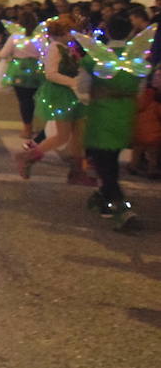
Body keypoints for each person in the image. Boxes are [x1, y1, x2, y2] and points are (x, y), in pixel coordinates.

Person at [80, 16, 145, 229]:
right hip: (125, 113)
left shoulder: (95, 57)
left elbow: (82, 88)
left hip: (102, 113)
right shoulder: (136, 58)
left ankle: (122, 208)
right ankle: (104, 200)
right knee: (112, 159)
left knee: (103, 163)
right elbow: (141, 89)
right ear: (130, 32)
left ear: (107, 31)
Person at [15, 17, 92, 184]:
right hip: (61, 95)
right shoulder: (55, 48)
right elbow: (51, 74)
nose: (72, 35)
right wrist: (73, 82)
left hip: (71, 94)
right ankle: (27, 157)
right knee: (63, 136)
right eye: (69, 32)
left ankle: (77, 172)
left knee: (78, 135)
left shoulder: (65, 48)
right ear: (62, 33)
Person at [0, 9, 45, 143]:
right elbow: (45, 53)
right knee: (36, 99)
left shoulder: (15, 37)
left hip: (19, 70)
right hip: (36, 71)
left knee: (24, 100)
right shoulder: (40, 37)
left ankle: (27, 129)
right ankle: (39, 126)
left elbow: (3, 54)